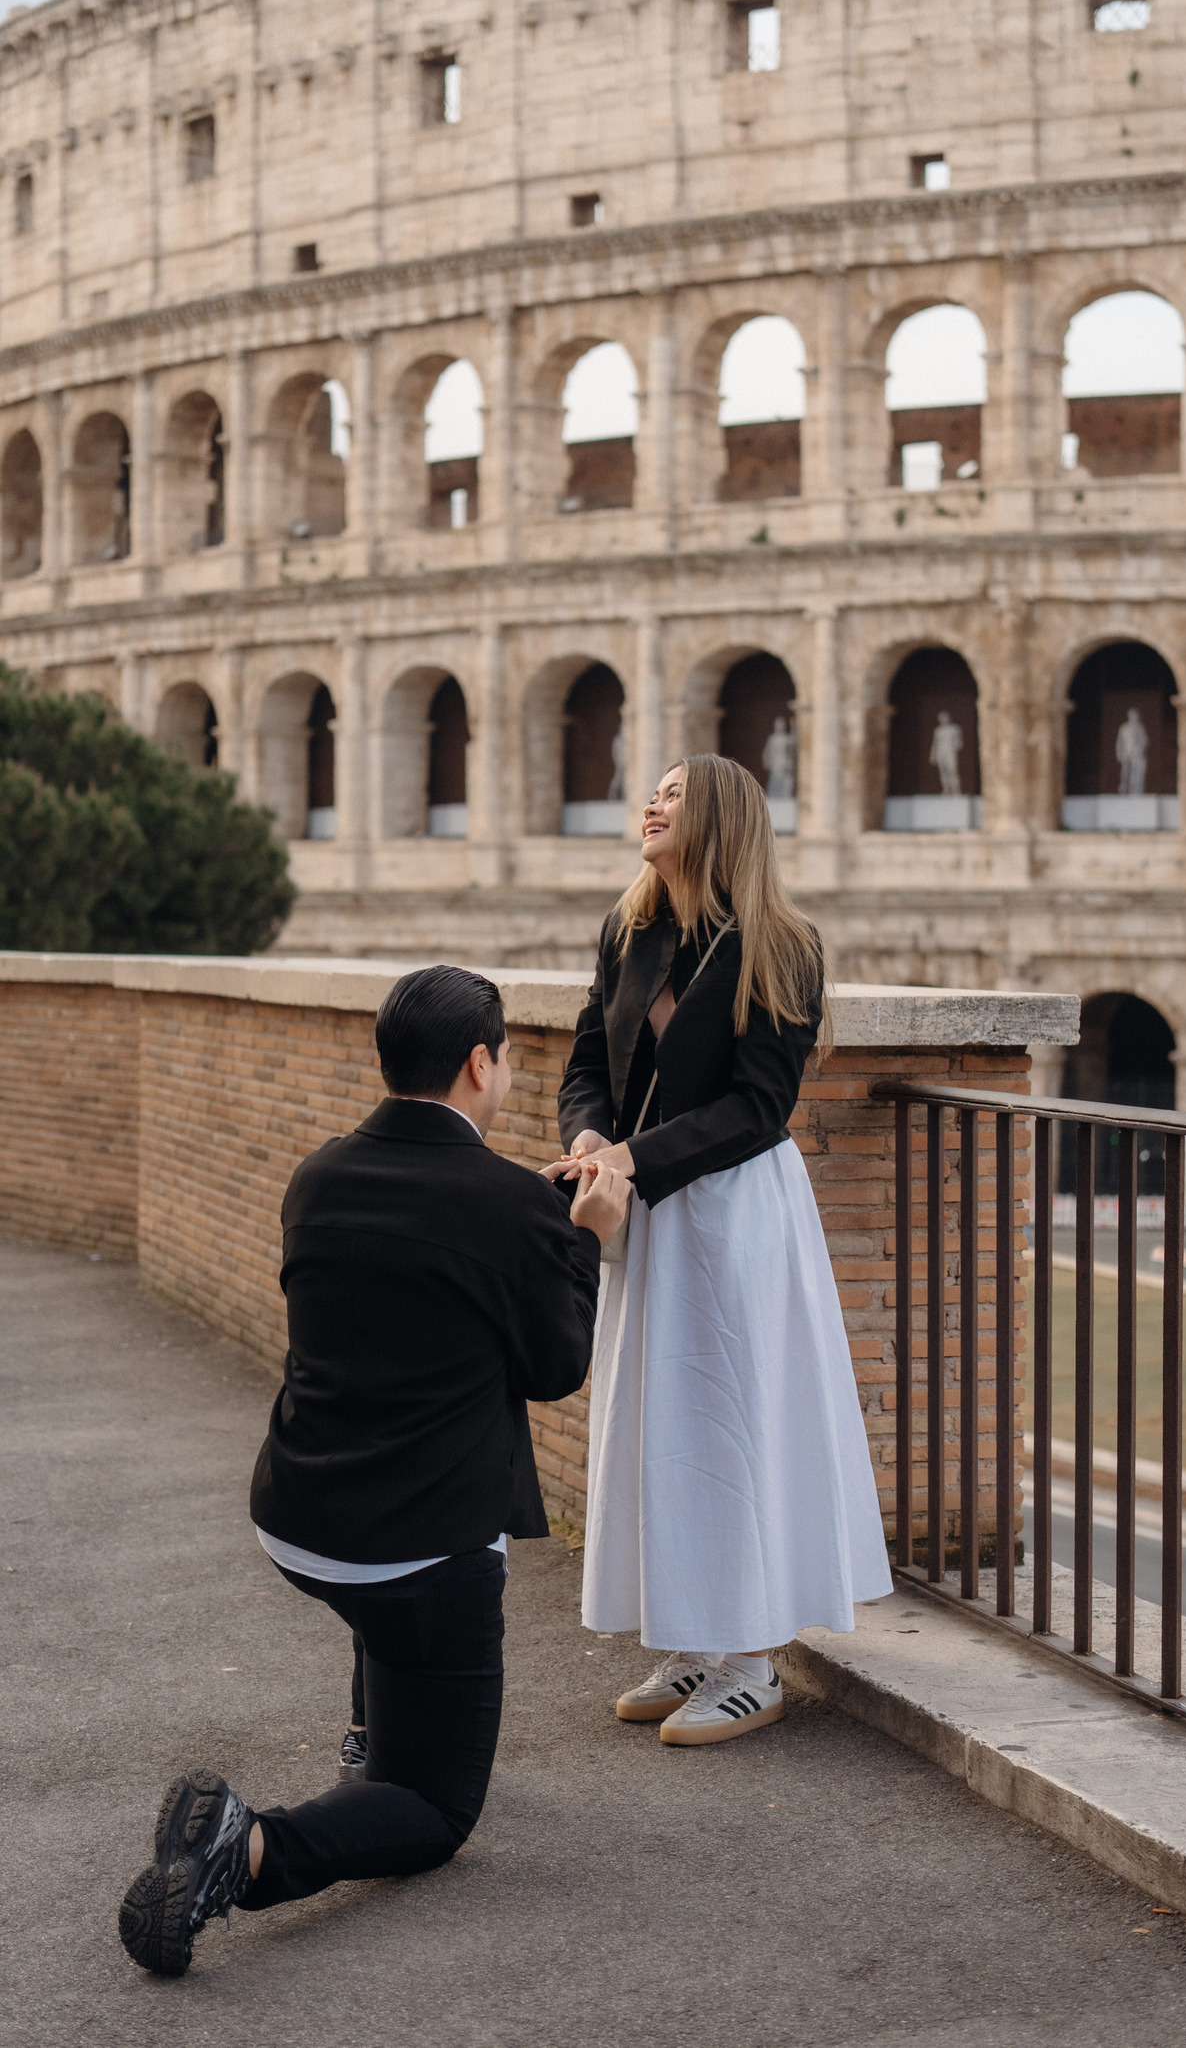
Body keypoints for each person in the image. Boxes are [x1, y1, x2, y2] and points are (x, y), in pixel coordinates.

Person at [117, 964, 628, 1979]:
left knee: (387, 1614)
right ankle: (243, 1846)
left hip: (300, 1519)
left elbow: (412, 1256)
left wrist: (521, 1219)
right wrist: (586, 1244)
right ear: (481, 1064)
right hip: (417, 1554)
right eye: (511, 1057)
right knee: (434, 1810)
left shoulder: (317, 1173)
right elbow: (556, 1366)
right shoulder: (504, 1209)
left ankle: (370, 1729)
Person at [549, 754, 891, 1747]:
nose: (649, 805)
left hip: (735, 1210)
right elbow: (585, 1060)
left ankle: (751, 1659)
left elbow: (757, 1107)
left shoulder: (779, 944)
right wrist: (585, 1141)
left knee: (732, 1417)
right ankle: (697, 1638)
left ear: (720, 819)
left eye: (672, 793)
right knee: (661, 1420)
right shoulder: (629, 930)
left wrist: (630, 1154)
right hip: (644, 1200)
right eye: (648, 792)